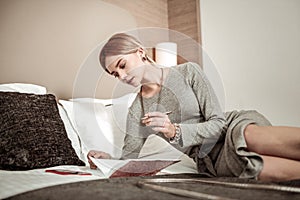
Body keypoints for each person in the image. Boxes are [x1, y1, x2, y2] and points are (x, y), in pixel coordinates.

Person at [87, 32, 300, 182]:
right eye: (115, 74)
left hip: (230, 127)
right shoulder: (137, 111)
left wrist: (175, 131)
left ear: (140, 52)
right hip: (212, 158)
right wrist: (109, 160)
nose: (122, 77)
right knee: (283, 172)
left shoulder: (188, 72)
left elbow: (218, 123)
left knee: (252, 135)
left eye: (122, 65)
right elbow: (129, 159)